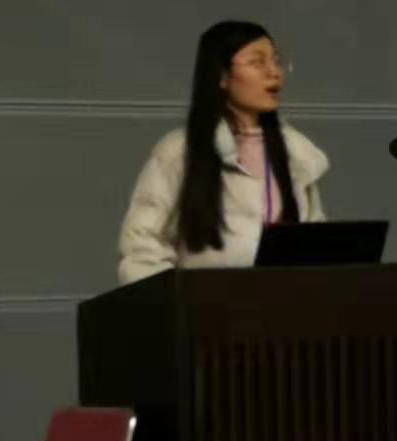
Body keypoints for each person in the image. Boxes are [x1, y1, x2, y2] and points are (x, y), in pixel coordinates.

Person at [117, 20, 329, 284]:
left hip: (282, 303)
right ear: (222, 76)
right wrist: (183, 302)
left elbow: (316, 246)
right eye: (257, 62)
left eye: (276, 61)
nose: (274, 72)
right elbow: (141, 248)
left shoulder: (297, 155)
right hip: (207, 306)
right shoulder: (179, 152)